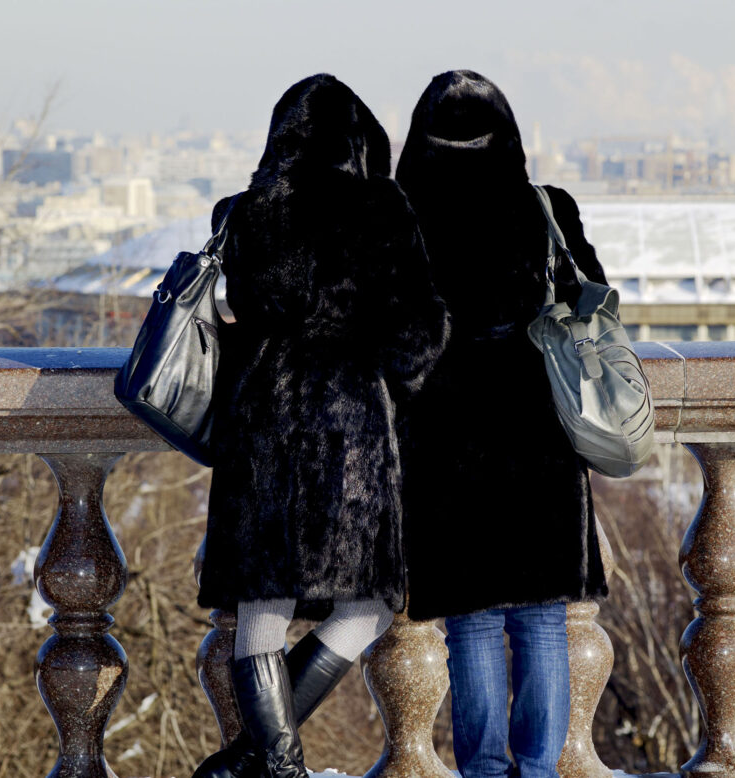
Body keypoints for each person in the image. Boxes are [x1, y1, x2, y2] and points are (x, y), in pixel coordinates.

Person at [194, 74, 449, 778]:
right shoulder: (381, 209)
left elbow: (241, 312)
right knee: (371, 602)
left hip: (261, 427)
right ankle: (272, 758)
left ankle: (263, 754)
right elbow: (418, 338)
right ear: (358, 140)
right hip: (348, 436)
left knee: (264, 599)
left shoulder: (247, 213)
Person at [395, 70, 609, 778]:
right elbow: (593, 295)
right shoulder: (543, 207)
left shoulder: (403, 217)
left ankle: (484, 770)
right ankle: (538, 769)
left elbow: (394, 334)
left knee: (474, 621)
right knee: (540, 618)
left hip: (445, 439)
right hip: (537, 433)